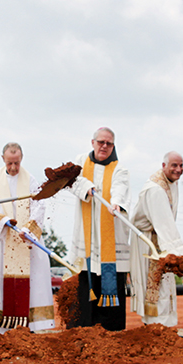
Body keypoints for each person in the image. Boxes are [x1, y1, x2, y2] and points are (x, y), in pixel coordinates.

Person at [0, 142, 55, 335]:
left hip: (25, 240)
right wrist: (3, 221)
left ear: (21, 159)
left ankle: (27, 326)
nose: (13, 168)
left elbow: (39, 205)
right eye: (10, 163)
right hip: (4, 238)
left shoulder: (30, 179)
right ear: (3, 159)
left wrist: (28, 229)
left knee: (32, 283)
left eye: (17, 163)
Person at [68, 127, 130, 331]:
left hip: (109, 239)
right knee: (85, 282)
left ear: (113, 146)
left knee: (110, 280)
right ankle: (82, 332)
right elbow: (72, 179)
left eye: (109, 143)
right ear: (92, 142)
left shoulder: (119, 168)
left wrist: (117, 203)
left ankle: (112, 333)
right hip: (86, 238)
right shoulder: (80, 161)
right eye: (101, 142)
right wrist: (86, 185)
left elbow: (120, 187)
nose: (104, 146)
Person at [129, 151, 183, 326]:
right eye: (174, 165)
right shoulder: (155, 189)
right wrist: (179, 255)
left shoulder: (172, 183)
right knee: (156, 285)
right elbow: (164, 224)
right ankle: (156, 327)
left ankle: (168, 327)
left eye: (181, 165)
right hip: (149, 242)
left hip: (162, 238)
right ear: (164, 166)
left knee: (167, 284)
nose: (178, 170)